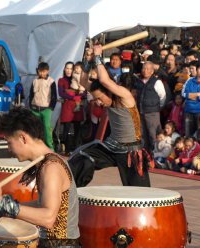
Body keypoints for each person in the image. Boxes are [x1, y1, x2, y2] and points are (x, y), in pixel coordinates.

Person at [0, 107, 84, 248]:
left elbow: (47, 217)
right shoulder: (46, 163)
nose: (8, 149)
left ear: (23, 138)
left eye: (9, 142)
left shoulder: (51, 168)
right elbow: (42, 204)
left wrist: (4, 204)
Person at [68, 44, 153, 187]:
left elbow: (104, 80)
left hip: (131, 152)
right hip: (110, 146)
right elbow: (83, 81)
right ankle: (72, 192)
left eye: (100, 98)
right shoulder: (104, 96)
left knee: (140, 194)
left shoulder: (125, 97)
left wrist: (98, 56)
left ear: (108, 92)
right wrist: (87, 59)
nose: (99, 103)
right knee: (81, 157)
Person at [134, 61, 166, 155]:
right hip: (141, 112)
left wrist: (156, 108)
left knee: (153, 135)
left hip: (152, 113)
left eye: (148, 69)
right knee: (142, 135)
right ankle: (145, 154)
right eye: (143, 68)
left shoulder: (157, 82)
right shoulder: (138, 81)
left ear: (152, 71)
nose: (145, 71)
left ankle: (154, 155)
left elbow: (163, 97)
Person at [58, 62, 86, 154]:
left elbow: (85, 92)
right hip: (67, 106)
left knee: (77, 128)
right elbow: (61, 93)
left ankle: (77, 148)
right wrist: (73, 97)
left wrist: (80, 95)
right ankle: (66, 149)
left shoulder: (79, 79)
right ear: (64, 69)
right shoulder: (61, 80)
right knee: (66, 127)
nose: (69, 70)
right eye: (67, 68)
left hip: (77, 105)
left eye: (71, 68)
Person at [29, 62, 57, 149]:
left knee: (47, 128)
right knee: (35, 128)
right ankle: (36, 146)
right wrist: (31, 105)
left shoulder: (51, 81)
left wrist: (51, 108)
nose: (41, 73)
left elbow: (54, 96)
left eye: (43, 71)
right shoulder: (35, 81)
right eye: (40, 71)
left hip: (46, 109)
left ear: (47, 71)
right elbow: (31, 94)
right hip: (35, 108)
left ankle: (50, 147)